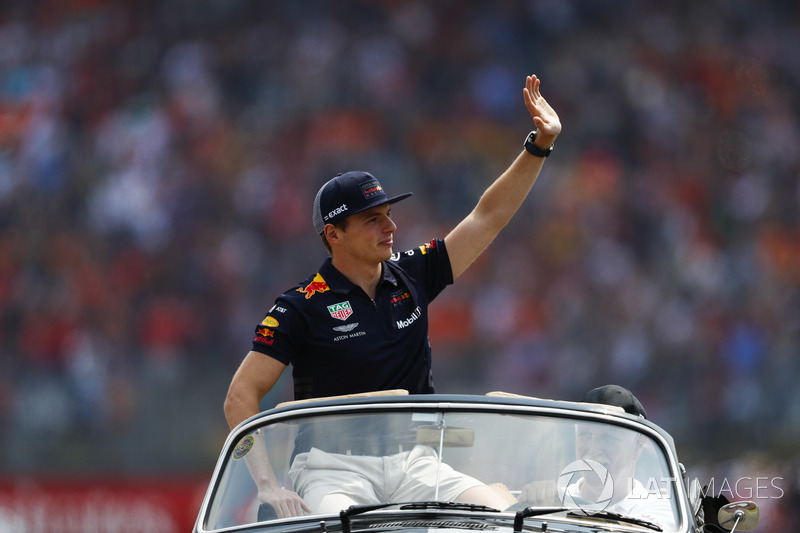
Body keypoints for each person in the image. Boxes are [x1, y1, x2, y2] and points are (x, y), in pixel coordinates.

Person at [224, 74, 561, 517]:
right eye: (372, 220)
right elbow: (240, 397)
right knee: (337, 527)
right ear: (334, 234)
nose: (391, 227)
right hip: (331, 468)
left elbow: (488, 217)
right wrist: (267, 486)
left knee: (499, 517)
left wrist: (539, 145)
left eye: (388, 214)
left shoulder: (412, 274)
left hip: (416, 460)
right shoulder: (299, 306)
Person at [514, 385, 676, 530]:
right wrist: (530, 501)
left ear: (638, 446)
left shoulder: (659, 509)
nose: (593, 449)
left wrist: (560, 510)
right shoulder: (551, 500)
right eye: (585, 435)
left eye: (609, 437)